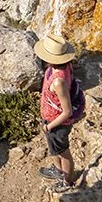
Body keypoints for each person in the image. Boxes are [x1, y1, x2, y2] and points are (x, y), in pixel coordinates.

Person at [34, 35, 86, 190]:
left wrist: (48, 127)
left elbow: (67, 111)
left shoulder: (59, 81)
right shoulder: (64, 66)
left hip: (57, 124)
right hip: (50, 119)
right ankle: (58, 171)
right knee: (54, 149)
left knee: (64, 153)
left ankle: (67, 181)